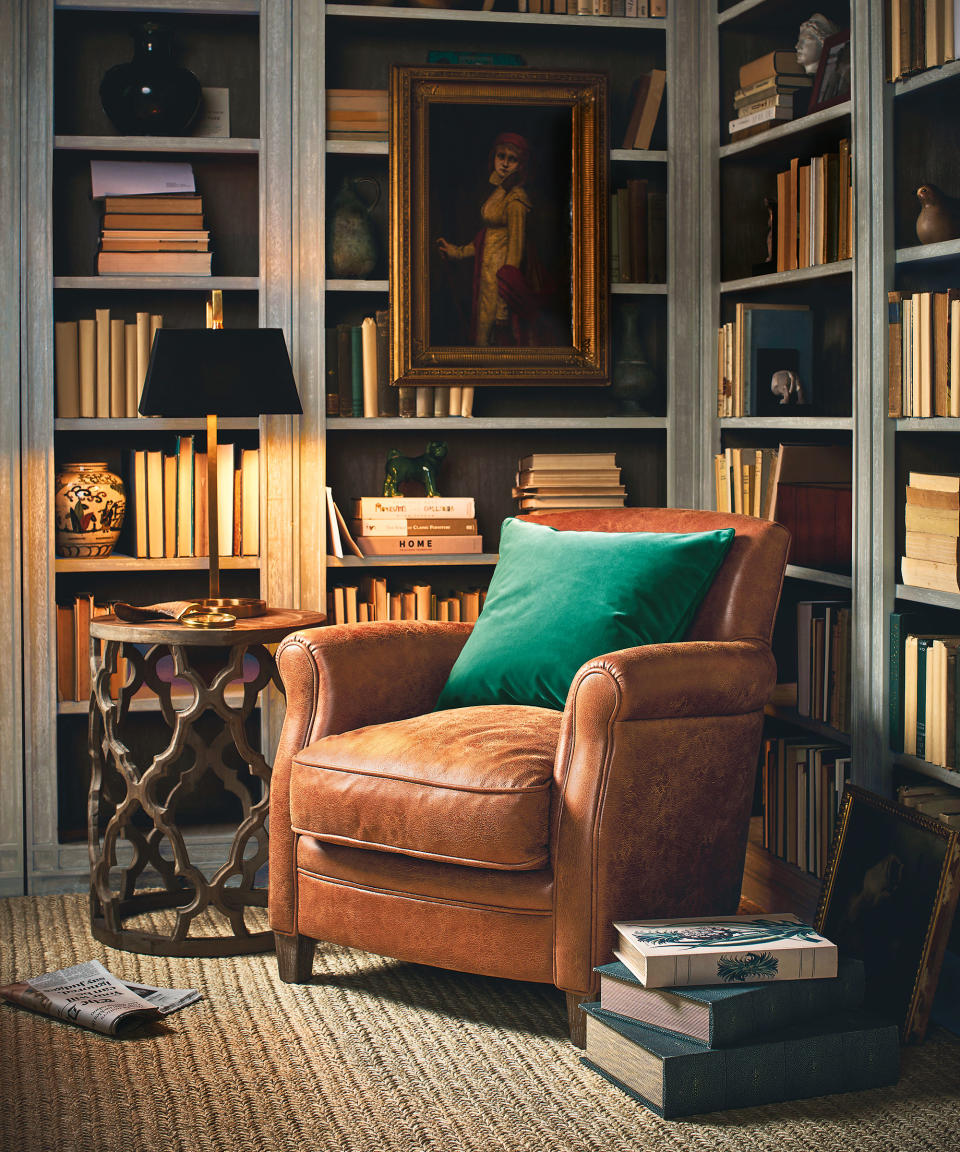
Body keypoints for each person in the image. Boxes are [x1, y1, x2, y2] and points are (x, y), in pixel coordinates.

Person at [436, 132, 548, 347]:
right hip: (486, 278)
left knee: (496, 343)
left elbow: (515, 251)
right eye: (501, 156)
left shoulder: (516, 199)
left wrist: (503, 305)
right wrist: (456, 252)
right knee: (481, 338)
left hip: (501, 284)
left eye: (512, 159)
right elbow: (485, 239)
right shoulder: (500, 191)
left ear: (521, 164)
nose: (505, 164)